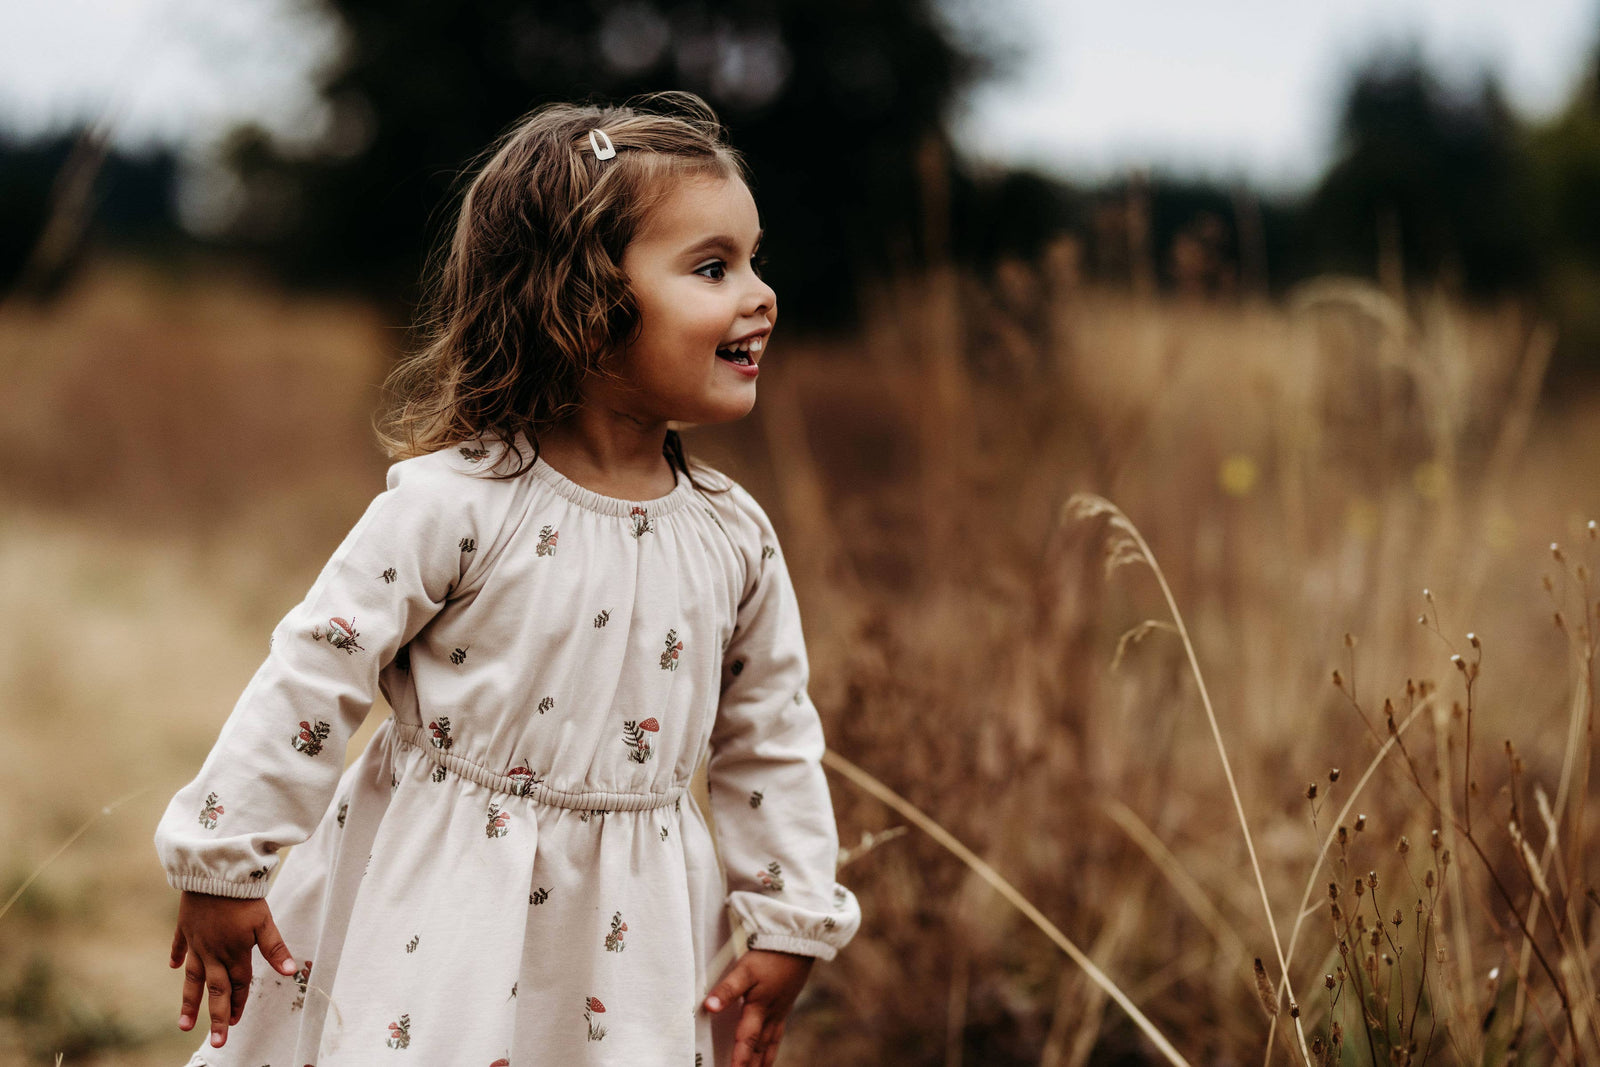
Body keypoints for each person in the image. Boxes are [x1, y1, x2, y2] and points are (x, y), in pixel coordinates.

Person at [154, 90, 861, 1066]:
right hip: (442, 904)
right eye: (711, 266)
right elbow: (317, 669)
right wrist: (223, 857)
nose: (759, 293)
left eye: (751, 259)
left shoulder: (732, 537)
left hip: (636, 935)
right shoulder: (457, 505)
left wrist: (790, 913)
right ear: (580, 305)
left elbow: (769, 729)